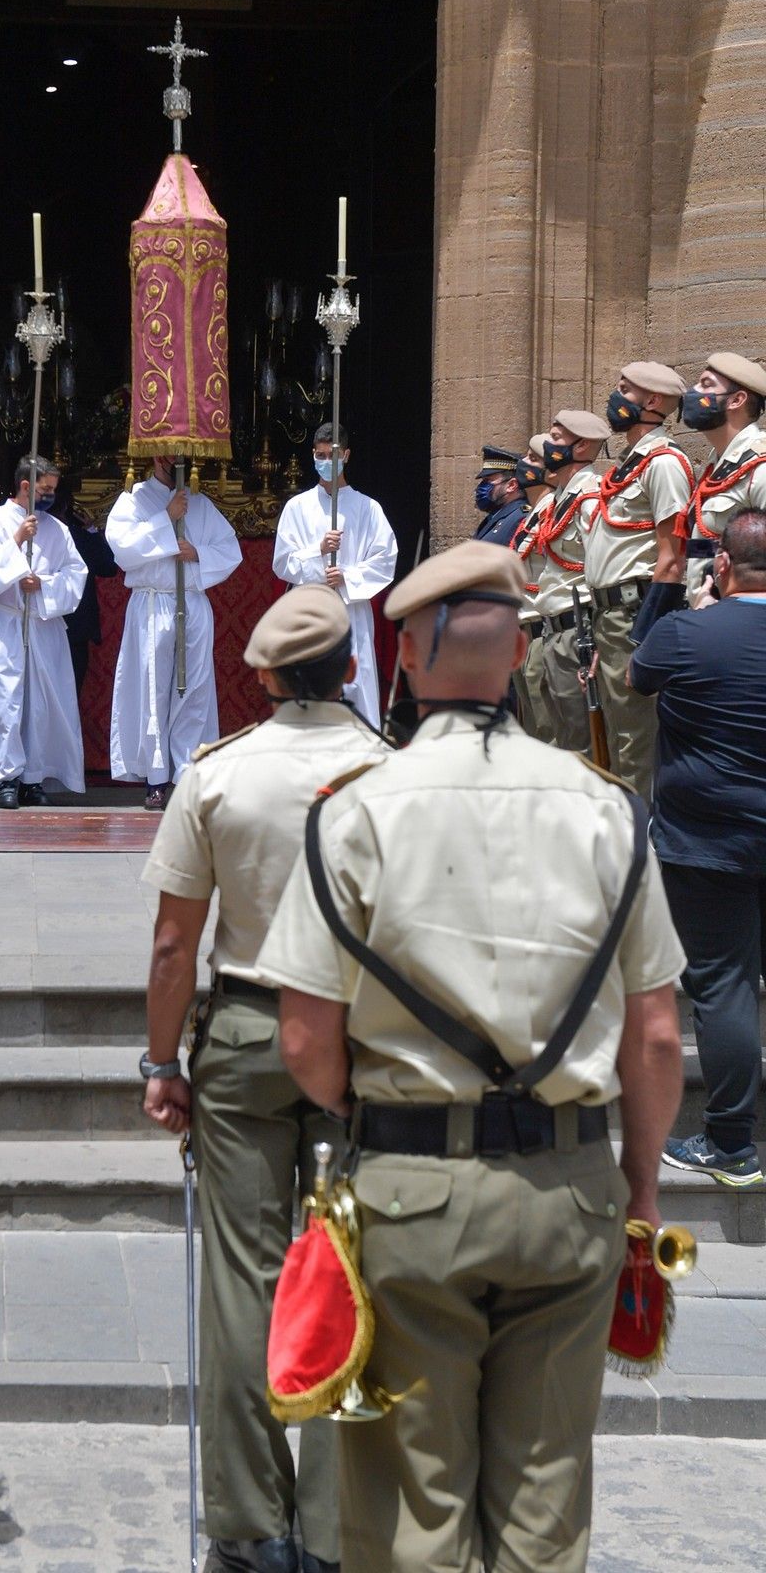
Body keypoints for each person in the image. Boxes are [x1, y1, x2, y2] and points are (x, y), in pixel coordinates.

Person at [254, 539, 684, 1573]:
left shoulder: (354, 813)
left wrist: (371, 1119)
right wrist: (640, 1191)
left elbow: (307, 1040)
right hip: (573, 1184)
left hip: (409, 1183)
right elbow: (658, 1034)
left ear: (403, 658)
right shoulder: (607, 811)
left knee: (409, 1509)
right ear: (518, 654)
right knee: (546, 1503)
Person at [141, 585, 390, 1573]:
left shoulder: (220, 776)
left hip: (246, 1026)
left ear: (264, 676)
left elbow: (173, 943)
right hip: (364, 1037)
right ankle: (334, 1529)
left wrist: (162, 1060)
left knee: (242, 1282)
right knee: (350, 1273)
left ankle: (249, 1526)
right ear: (356, 669)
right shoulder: (393, 773)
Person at [629, 510, 766, 1188]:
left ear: (724, 567)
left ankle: (732, 1142)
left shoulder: (687, 633)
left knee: (725, 986)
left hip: (706, 840)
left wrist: (696, 604)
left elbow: (636, 673)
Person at [581, 362, 692, 799]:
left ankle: (641, 847)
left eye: (624, 390)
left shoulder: (663, 463)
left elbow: (672, 558)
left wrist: (644, 637)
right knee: (614, 735)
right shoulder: (630, 463)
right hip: (609, 615)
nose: (615, 396)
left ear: (653, 402)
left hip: (634, 614)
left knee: (636, 741)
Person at [106, 457, 242, 810]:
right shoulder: (133, 500)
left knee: (193, 689)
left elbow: (230, 551)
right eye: (170, 454)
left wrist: (198, 553)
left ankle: (186, 772)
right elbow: (122, 549)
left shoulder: (201, 505)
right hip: (153, 604)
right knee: (153, 689)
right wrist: (165, 518)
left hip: (192, 602)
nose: (177, 461)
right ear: (156, 456)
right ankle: (155, 779)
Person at [0, 454, 87, 808]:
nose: (50, 495)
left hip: (42, 624)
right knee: (5, 701)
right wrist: (17, 540)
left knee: (41, 705)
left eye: (52, 489)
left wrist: (44, 585)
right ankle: (7, 777)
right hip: (4, 621)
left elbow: (75, 575)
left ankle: (34, 777)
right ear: (25, 486)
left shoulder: (57, 530)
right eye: (45, 489)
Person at [272, 423, 398, 728]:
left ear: (347, 455)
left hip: (350, 609)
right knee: (311, 684)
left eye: (333, 455)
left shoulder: (368, 508)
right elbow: (282, 562)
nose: (326, 462)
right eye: (320, 455)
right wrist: (318, 552)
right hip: (311, 610)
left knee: (355, 684)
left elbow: (385, 559)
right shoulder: (296, 507)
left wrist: (346, 576)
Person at [528, 408, 607, 753]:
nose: (548, 445)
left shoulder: (589, 498)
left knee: (582, 740)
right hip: (553, 628)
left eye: (556, 439)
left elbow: (599, 571)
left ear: (581, 446)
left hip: (578, 628)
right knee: (559, 739)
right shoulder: (561, 498)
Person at [678, 351, 766, 600]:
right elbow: (708, 542)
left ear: (736, 400)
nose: (693, 392)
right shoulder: (717, 465)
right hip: (709, 612)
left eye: (706, 385)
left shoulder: (760, 467)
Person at [56, 474, 121, 697]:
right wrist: (91, 531)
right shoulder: (79, 536)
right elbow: (107, 565)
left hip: (60, 628)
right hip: (73, 629)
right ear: (67, 505)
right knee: (69, 695)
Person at [510, 433, 556, 744]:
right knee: (530, 727)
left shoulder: (554, 510)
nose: (523, 463)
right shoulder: (531, 515)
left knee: (547, 729)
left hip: (542, 629)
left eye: (533, 458)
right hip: (524, 629)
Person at [470, 446, 526, 546]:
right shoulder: (495, 516)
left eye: (488, 481)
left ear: (511, 485)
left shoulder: (521, 517)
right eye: (483, 481)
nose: (482, 487)